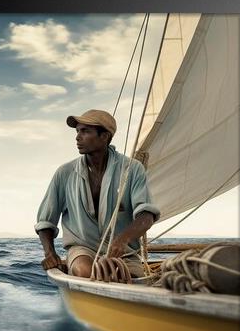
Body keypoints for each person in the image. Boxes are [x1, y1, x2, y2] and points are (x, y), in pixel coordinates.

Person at [35, 109, 160, 279]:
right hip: (82, 250)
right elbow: (45, 222)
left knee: (129, 277)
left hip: (124, 254)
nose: (78, 137)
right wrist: (50, 253)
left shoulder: (132, 169)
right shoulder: (64, 173)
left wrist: (122, 240)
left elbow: (146, 216)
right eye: (77, 131)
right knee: (85, 272)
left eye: (85, 131)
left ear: (105, 136)